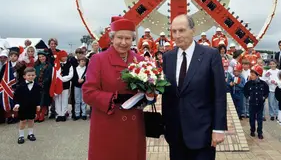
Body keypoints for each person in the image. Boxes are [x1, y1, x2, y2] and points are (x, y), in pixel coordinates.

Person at [162, 15, 227, 160]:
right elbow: (168, 95)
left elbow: (219, 94)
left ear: (193, 30)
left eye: (181, 30)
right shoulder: (168, 57)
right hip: (175, 133)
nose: (177, 36)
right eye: (174, 31)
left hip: (203, 133)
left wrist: (218, 128)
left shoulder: (211, 55)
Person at [82, 17, 146, 160]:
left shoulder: (140, 60)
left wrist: (149, 95)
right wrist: (114, 98)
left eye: (128, 38)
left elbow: (147, 87)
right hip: (108, 123)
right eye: (120, 38)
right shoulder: (98, 60)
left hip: (133, 125)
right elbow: (88, 92)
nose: (124, 42)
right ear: (112, 38)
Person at [13, 67, 41, 144]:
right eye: (29, 75)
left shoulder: (37, 86)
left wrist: (38, 104)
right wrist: (17, 104)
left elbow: (38, 96)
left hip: (32, 106)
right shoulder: (20, 86)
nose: (31, 77)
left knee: (31, 120)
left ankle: (30, 134)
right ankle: (21, 135)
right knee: (23, 121)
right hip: (22, 106)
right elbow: (16, 97)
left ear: (35, 76)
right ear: (24, 76)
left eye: (32, 75)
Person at [243, 65, 269, 139]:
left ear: (258, 75)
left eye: (253, 75)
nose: (251, 76)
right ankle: (252, 130)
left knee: (260, 119)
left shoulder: (263, 84)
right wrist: (248, 97)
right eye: (251, 74)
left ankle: (260, 132)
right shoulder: (248, 83)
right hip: (252, 104)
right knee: (252, 118)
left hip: (260, 104)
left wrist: (264, 97)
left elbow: (266, 92)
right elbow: (245, 92)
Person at [34, 51, 52, 123]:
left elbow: (49, 76)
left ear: (46, 57)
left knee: (44, 101)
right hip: (36, 85)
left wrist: (43, 83)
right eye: (40, 57)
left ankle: (42, 115)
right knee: (37, 101)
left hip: (45, 85)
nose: (41, 58)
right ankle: (37, 115)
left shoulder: (49, 65)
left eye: (43, 56)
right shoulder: (36, 65)